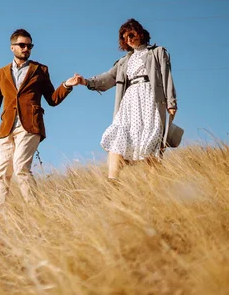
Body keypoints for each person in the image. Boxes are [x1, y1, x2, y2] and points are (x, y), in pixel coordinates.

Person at [0, 28, 82, 209]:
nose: (26, 48)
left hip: (30, 126)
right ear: (12, 47)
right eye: (22, 45)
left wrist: (66, 85)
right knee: (1, 172)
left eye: (29, 46)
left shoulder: (40, 70)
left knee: (20, 167)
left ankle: (36, 212)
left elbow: (52, 99)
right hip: (7, 128)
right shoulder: (1, 73)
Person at [75, 18, 177, 180]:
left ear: (141, 34)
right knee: (118, 138)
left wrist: (171, 103)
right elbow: (108, 78)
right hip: (130, 102)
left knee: (150, 143)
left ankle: (154, 186)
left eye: (131, 34)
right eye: (124, 37)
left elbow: (166, 77)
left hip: (150, 99)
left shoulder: (157, 52)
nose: (128, 39)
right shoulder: (124, 61)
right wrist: (86, 81)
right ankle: (112, 181)